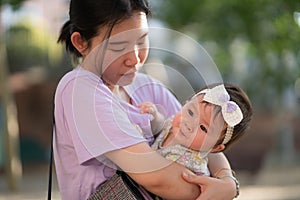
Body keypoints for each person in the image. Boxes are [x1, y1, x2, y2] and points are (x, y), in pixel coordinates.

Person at [54, 0, 240, 199]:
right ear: (81, 42)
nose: (135, 57)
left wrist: (227, 181)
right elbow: (159, 179)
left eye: (141, 40)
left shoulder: (149, 88)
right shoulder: (80, 89)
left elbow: (202, 142)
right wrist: (214, 191)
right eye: (118, 46)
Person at [138, 83, 253, 177]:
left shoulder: (191, 164)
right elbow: (160, 127)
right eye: (191, 112)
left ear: (214, 147)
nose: (189, 124)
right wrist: (154, 116)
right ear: (186, 103)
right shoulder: (174, 125)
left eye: (203, 127)